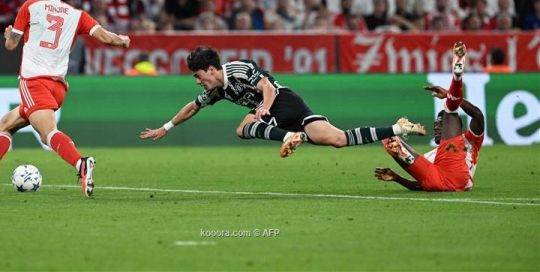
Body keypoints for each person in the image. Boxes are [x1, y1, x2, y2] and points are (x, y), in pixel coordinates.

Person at [0, 0, 131, 198]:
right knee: (7, 124)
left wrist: (9, 35)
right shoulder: (77, 14)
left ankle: (81, 163)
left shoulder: (30, 6)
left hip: (34, 82)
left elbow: (11, 45)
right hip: (58, 88)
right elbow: (106, 37)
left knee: (47, 133)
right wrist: (122, 40)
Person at [140, 46, 426, 157]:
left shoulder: (238, 68)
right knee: (338, 139)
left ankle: (289, 136)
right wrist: (167, 127)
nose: (197, 81)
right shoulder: (216, 90)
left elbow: (266, 86)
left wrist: (264, 107)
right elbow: (193, 107)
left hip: (282, 101)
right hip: (285, 109)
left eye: (198, 75)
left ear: (212, 69)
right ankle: (399, 128)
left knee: (242, 128)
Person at [374, 41, 486, 191]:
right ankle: (402, 128)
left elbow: (478, 116)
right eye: (436, 125)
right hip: (435, 182)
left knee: (449, 109)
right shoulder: (430, 155)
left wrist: (449, 95)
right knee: (388, 139)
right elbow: (421, 184)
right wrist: (397, 178)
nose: (437, 128)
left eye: (441, 124)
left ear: (456, 126)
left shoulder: (470, 140)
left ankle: (456, 80)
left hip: (457, 175)